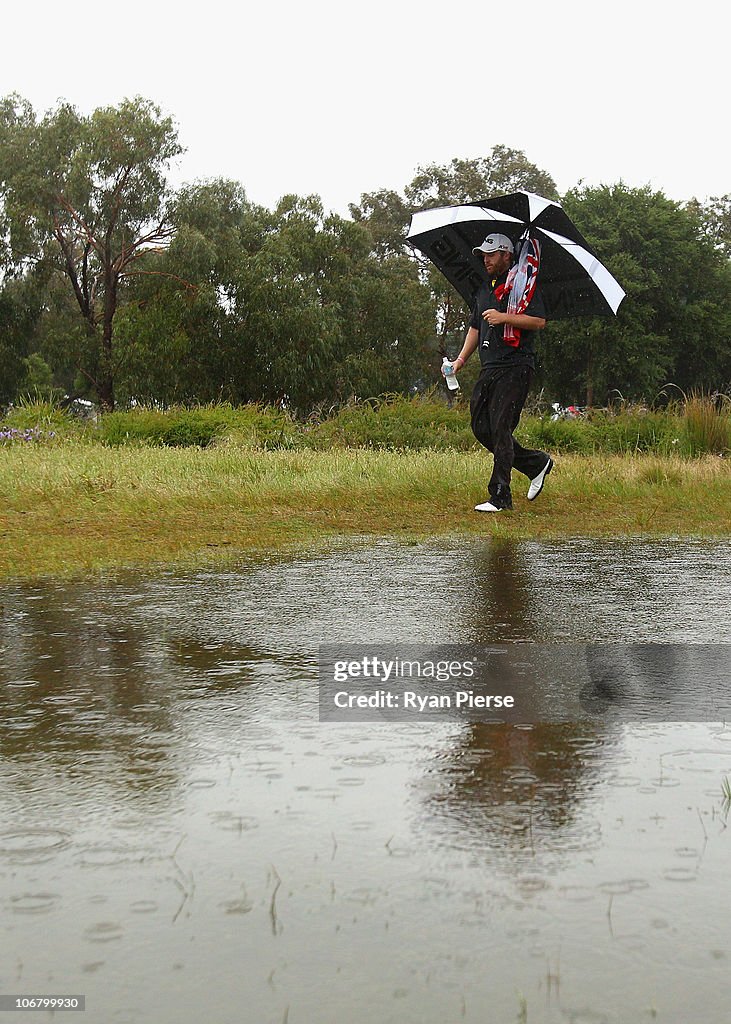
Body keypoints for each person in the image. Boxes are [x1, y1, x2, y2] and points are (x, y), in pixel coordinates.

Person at [443, 233, 554, 512]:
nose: (486, 259)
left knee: (501, 426)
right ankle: (536, 463)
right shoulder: (484, 289)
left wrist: (504, 317)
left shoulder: (524, 285)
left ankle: (500, 496)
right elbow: (475, 327)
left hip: (516, 366)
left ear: (507, 255)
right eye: (483, 254)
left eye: (491, 254)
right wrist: (459, 361)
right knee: (482, 427)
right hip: (489, 366)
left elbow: (539, 321)